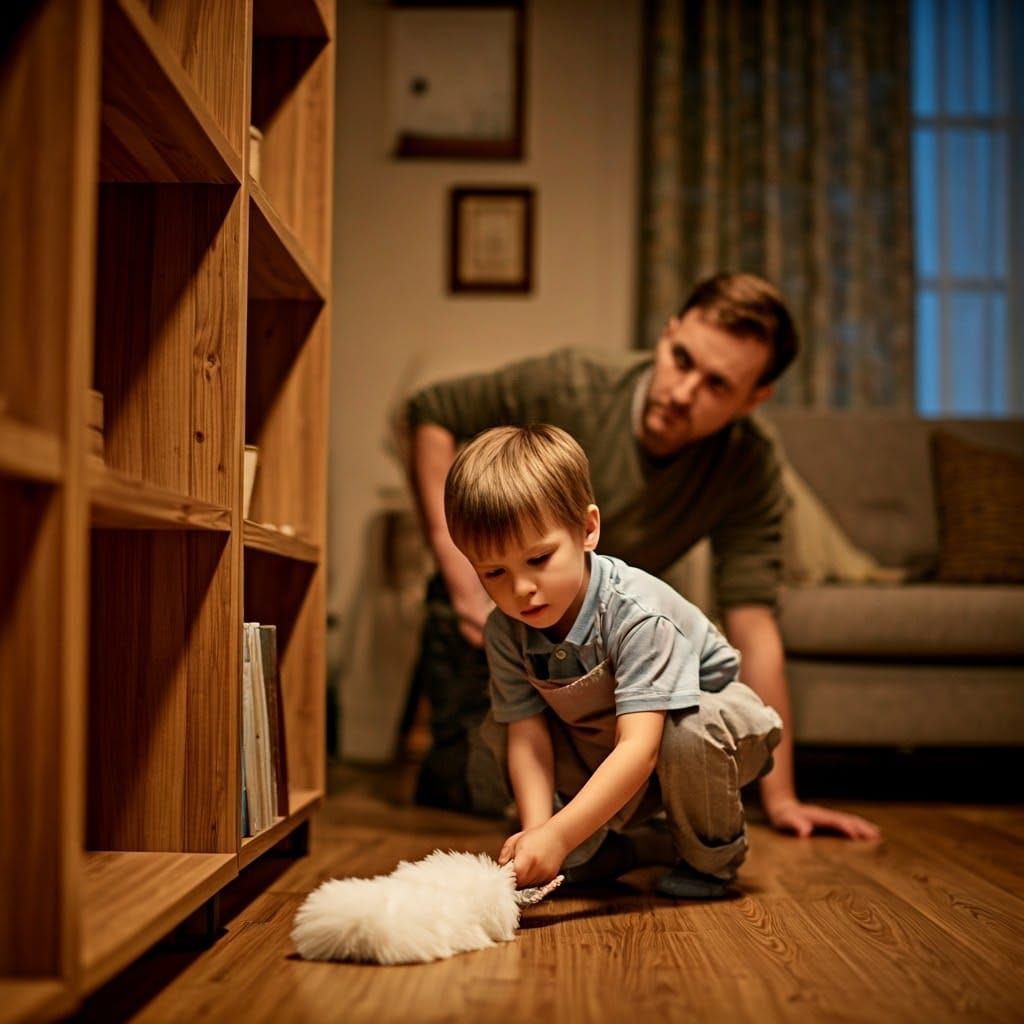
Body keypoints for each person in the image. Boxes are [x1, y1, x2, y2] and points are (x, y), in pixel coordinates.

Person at [405, 271, 880, 841]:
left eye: (716, 386)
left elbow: (753, 623)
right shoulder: (573, 382)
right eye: (681, 358)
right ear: (668, 331)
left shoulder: (748, 464)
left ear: (755, 399)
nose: (682, 392)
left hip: (609, 641)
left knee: (623, 780)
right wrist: (460, 568)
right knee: (478, 788)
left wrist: (782, 799)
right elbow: (431, 408)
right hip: (494, 623)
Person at [444, 423, 783, 896]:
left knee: (684, 733)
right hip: (604, 737)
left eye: (539, 559)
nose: (520, 589)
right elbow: (527, 735)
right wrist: (541, 831)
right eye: (494, 572)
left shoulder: (637, 614)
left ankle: (711, 859)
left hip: (710, 730)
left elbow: (640, 748)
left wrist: (561, 835)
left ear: (587, 529)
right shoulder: (506, 630)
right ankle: (634, 848)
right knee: (501, 728)